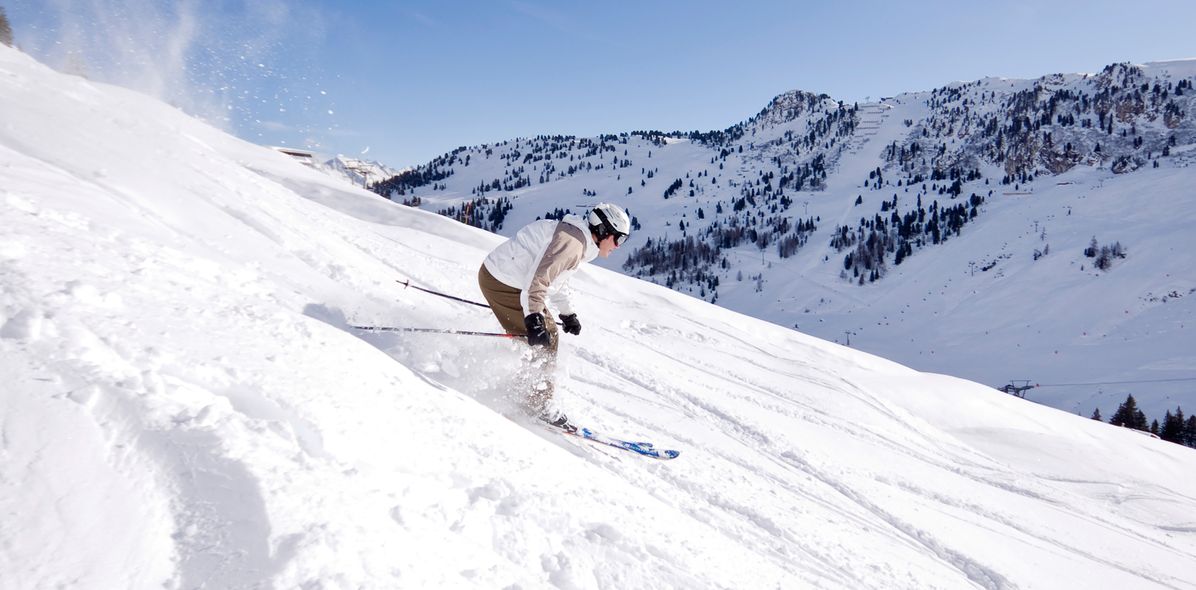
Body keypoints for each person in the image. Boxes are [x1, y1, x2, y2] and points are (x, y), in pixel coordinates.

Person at [477, 202, 631, 430]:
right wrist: (533, 318)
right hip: (503, 281)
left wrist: (567, 313)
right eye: (618, 238)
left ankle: (530, 395)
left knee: (547, 334)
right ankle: (536, 405)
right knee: (546, 336)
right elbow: (538, 280)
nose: (618, 245)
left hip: (507, 279)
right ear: (602, 231)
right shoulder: (572, 244)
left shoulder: (578, 241)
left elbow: (557, 279)